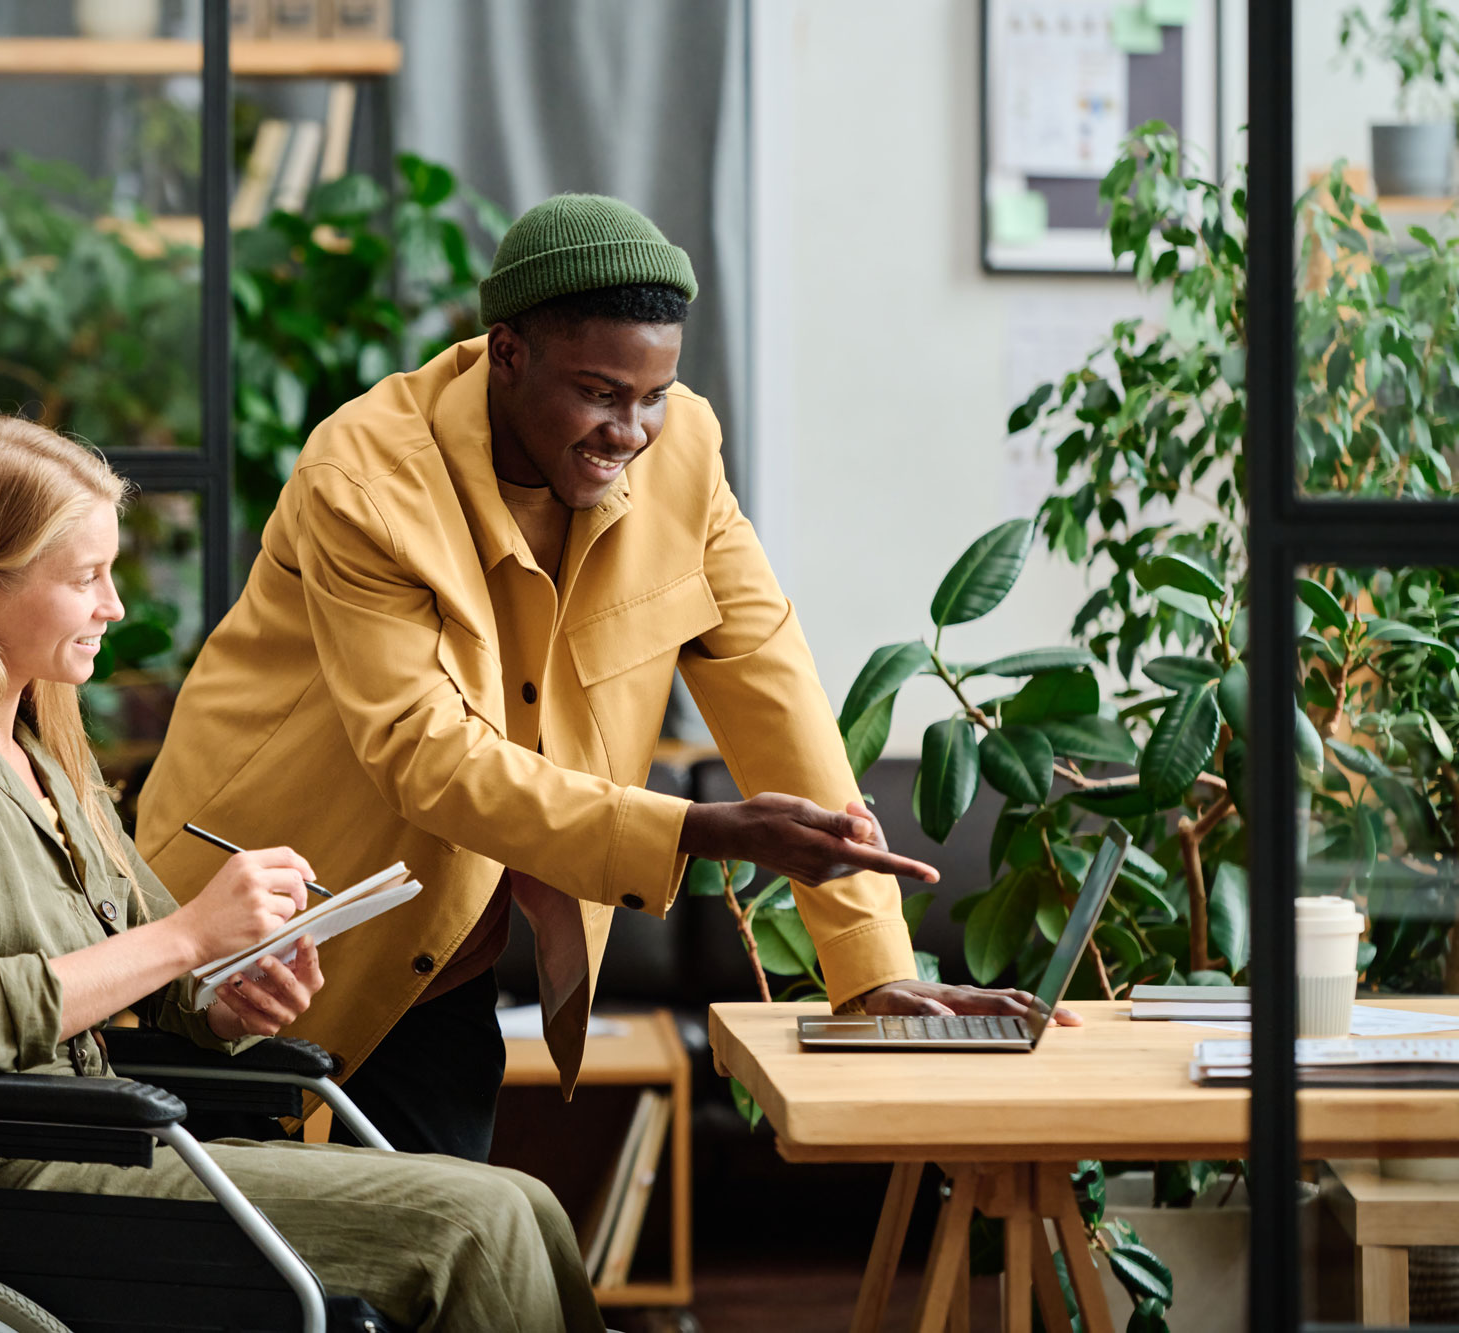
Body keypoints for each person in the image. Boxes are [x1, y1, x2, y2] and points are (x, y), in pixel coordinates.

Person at [137, 193, 1077, 1163]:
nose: (628, 430)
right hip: (241, 934)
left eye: (651, 395)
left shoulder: (685, 455)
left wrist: (870, 970)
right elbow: (422, 753)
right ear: (507, 353)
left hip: (435, 953)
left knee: (445, 1262)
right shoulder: (367, 478)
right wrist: (695, 828)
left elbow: (770, 687)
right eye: (598, 392)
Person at [0, 415, 607, 1333]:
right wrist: (189, 936)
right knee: (480, 1227)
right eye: (87, 577)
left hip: (105, 1143)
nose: (115, 605)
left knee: (526, 1203)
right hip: (7, 1172)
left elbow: (174, 980)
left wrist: (226, 996)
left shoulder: (48, 761)